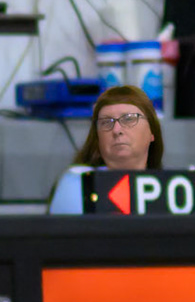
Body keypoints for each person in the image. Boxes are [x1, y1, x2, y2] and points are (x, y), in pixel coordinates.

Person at [47, 86, 164, 214]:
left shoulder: (170, 187)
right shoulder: (78, 184)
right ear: (98, 138)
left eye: (129, 119)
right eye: (106, 122)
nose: (116, 130)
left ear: (152, 132)